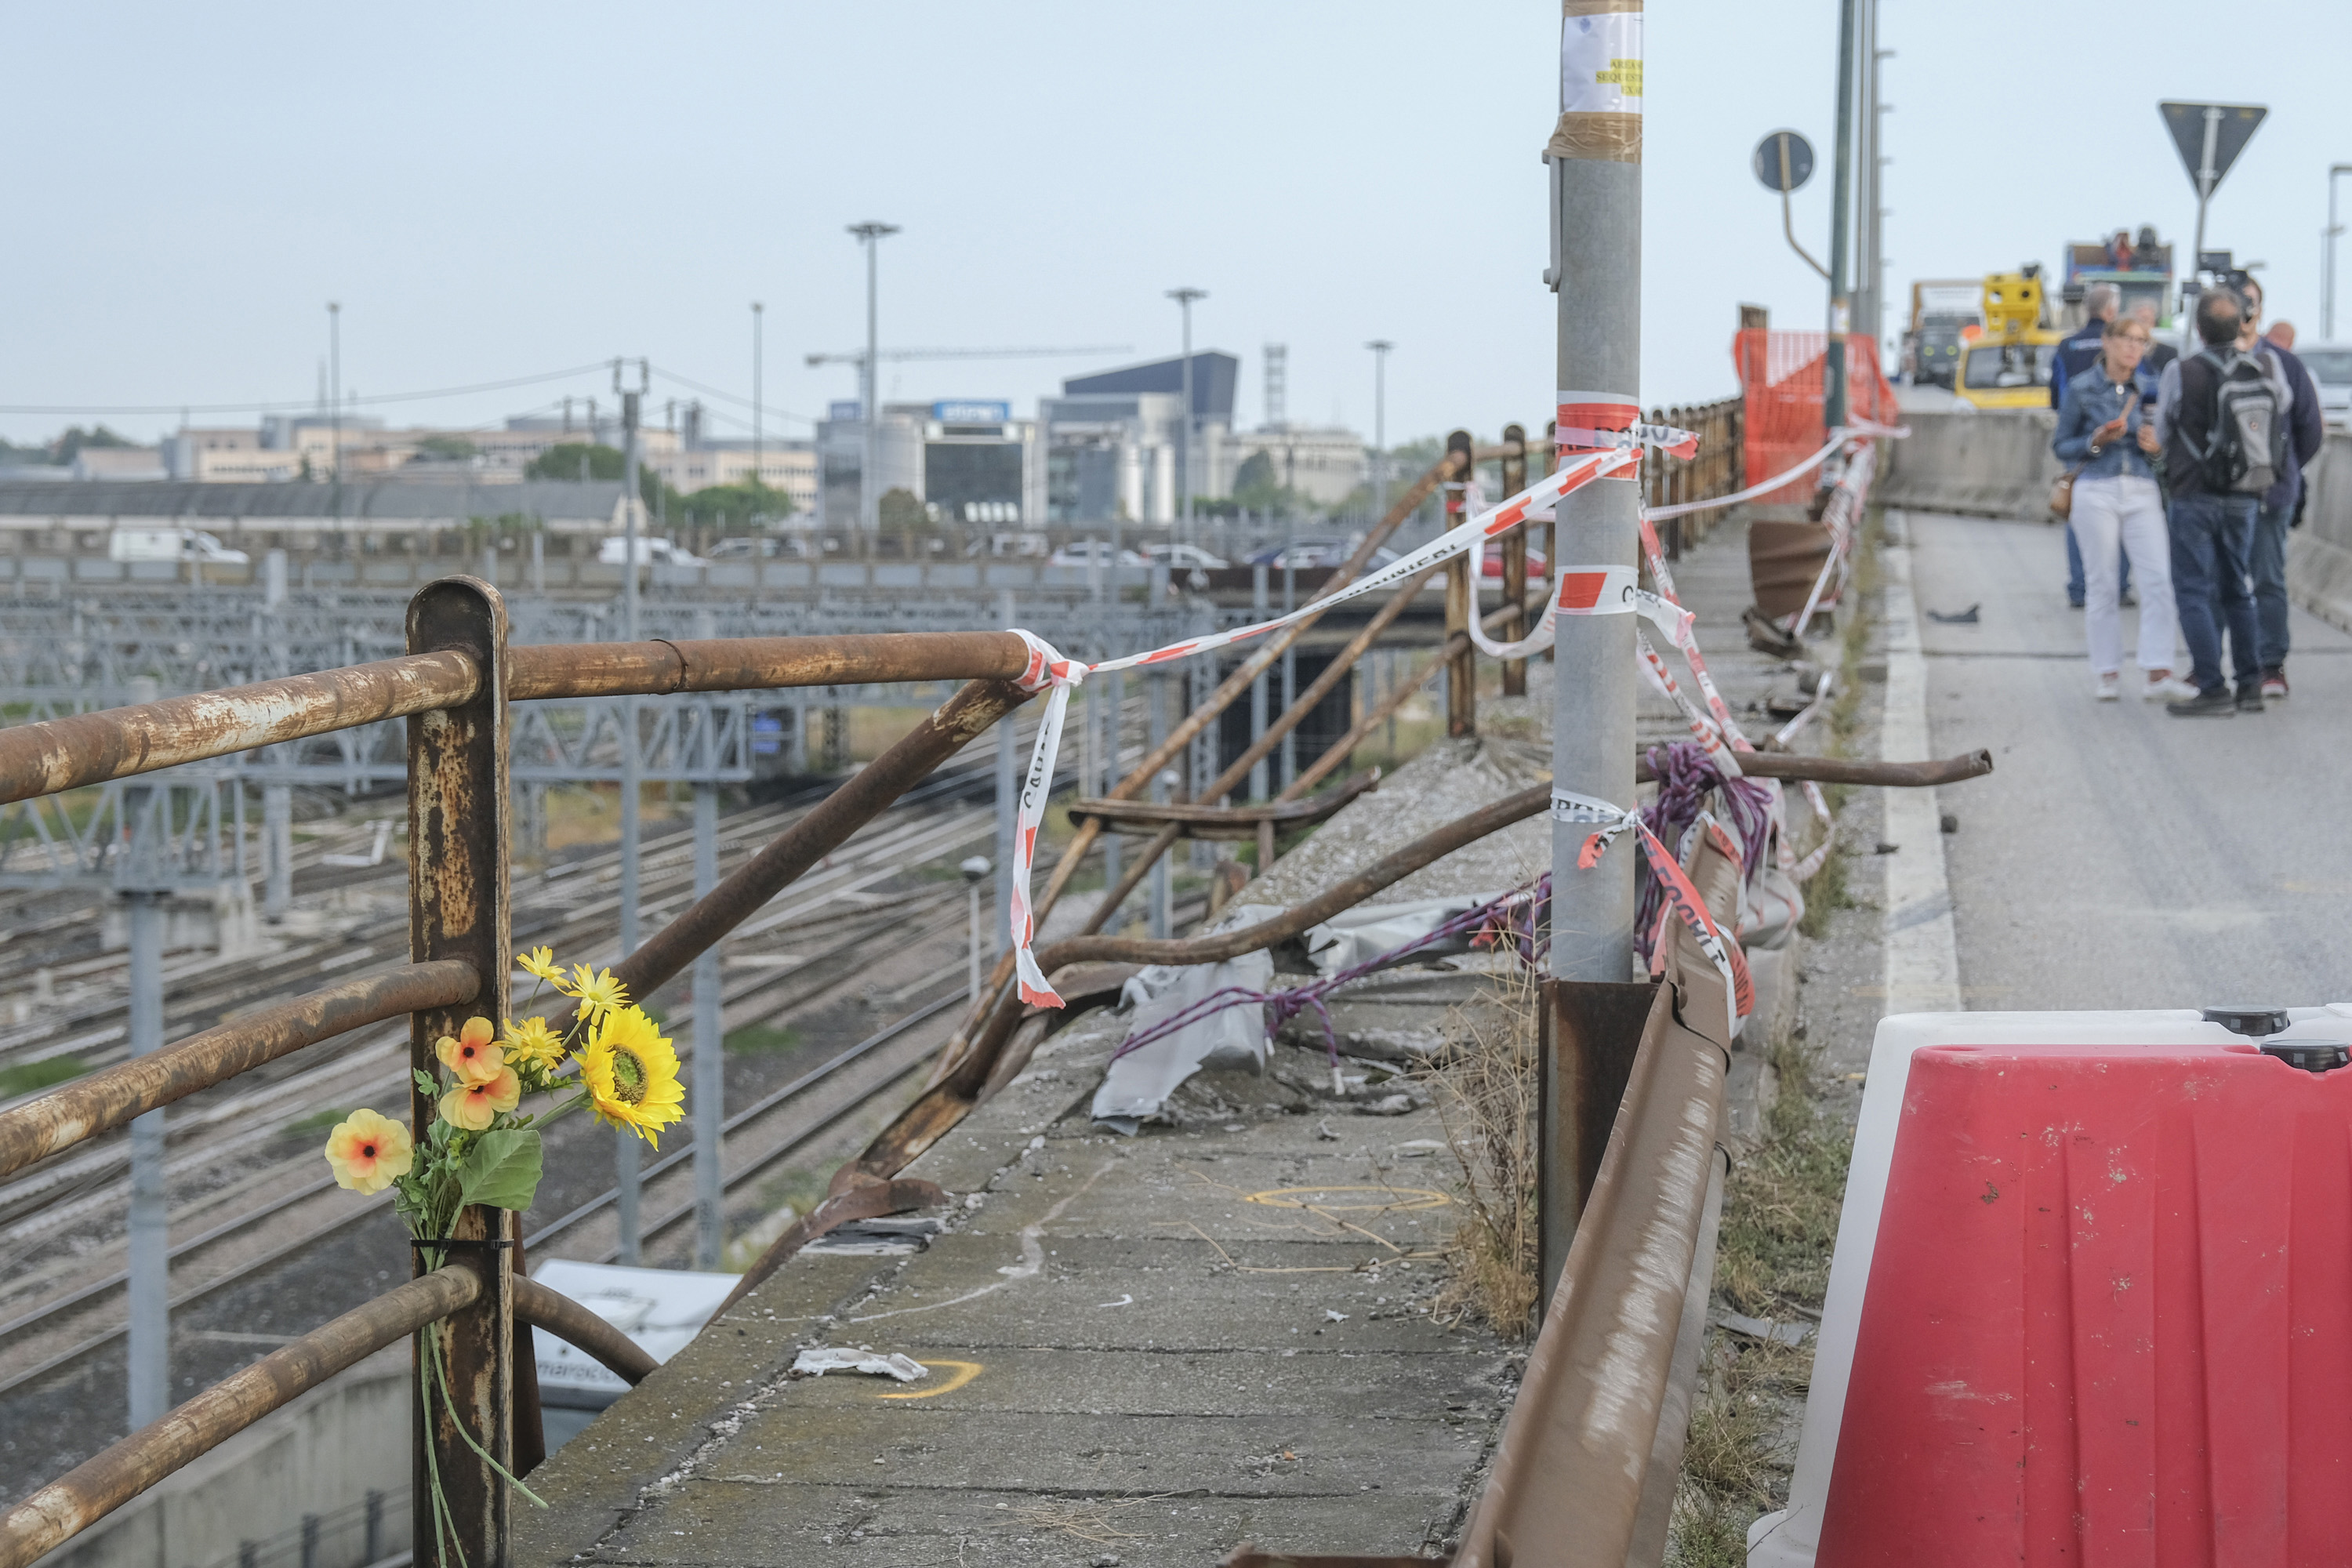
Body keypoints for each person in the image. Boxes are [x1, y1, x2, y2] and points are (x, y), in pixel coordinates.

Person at [2052, 315, 2182, 699]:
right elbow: (2062, 445)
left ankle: (2158, 671)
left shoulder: (2152, 389)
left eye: (2141, 341)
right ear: (2107, 342)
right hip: (2097, 488)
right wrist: (2096, 440)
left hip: (2141, 487)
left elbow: (2166, 456)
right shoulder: (2081, 388)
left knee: (2158, 579)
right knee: (2102, 583)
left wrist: (2156, 449)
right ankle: (2107, 673)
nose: (2133, 347)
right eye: (2126, 338)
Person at [2154, 289, 2267, 717]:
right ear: (2241, 324)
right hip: (2244, 496)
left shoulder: (2181, 371)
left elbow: (2163, 431)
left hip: (2194, 495)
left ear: (2198, 328)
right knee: (2239, 589)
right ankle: (2251, 685)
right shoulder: (2261, 369)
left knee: (2194, 591)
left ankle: (2212, 686)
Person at [2237, 280, 2323, 699]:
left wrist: (2283, 472)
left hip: (2270, 494)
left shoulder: (2283, 364)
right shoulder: (2203, 362)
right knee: (2220, 582)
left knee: (2268, 580)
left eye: (2248, 302)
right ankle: (2221, 669)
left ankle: (2271, 664)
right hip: (2220, 497)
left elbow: (2309, 428)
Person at [2053, 283, 2127, 609]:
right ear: (2111, 311)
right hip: (2118, 442)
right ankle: (2119, 587)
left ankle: (2079, 589)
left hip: (2079, 445)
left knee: (2077, 516)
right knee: (2123, 516)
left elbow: (2055, 394)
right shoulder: (2123, 346)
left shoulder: (2067, 346)